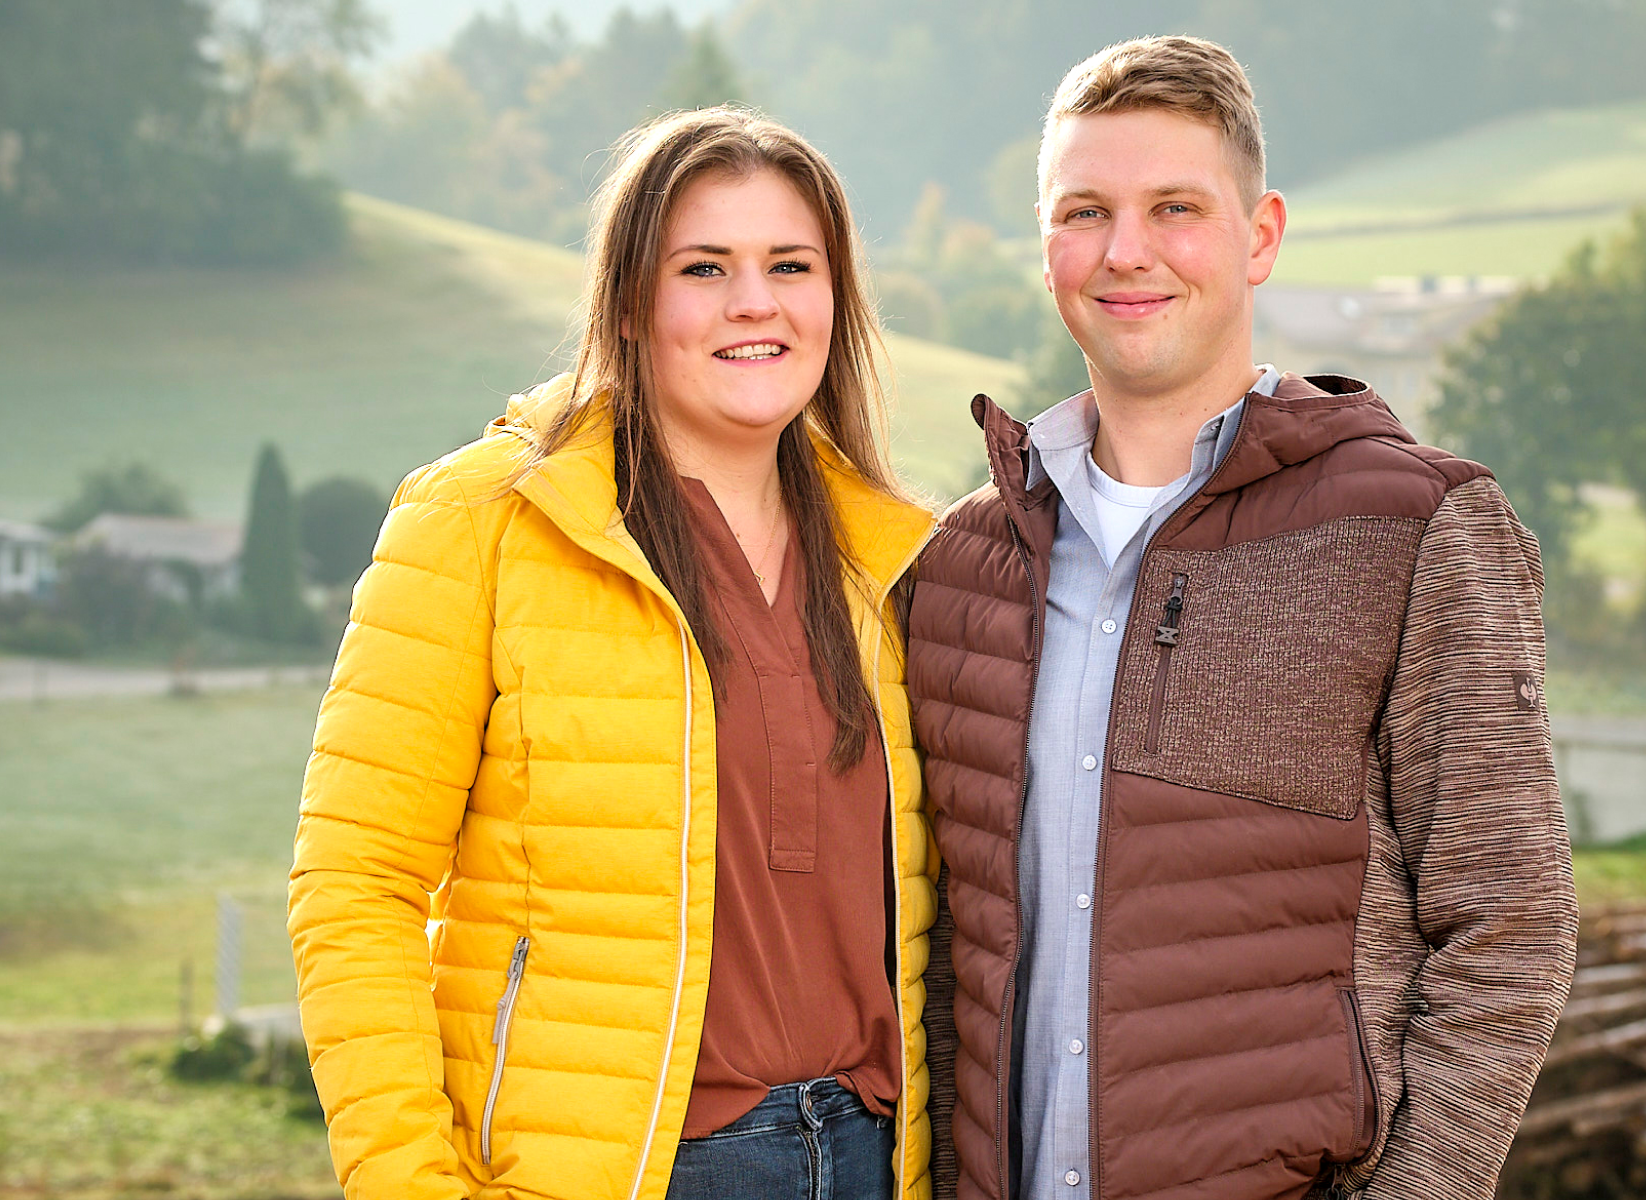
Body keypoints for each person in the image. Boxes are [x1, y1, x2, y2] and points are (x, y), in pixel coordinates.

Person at [906, 36, 1579, 1200]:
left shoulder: (1413, 526)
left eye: (1176, 207)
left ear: (1260, 235)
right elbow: (935, 956)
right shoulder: (959, 563)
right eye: (1085, 211)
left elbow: (1508, 927)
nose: (1127, 252)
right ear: (1047, 244)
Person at [288, 107, 944, 1200]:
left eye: (791, 264)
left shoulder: (893, 559)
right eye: (704, 267)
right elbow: (355, 884)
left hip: (872, 1161)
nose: (755, 301)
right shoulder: (484, 522)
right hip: (622, 1171)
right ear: (631, 304)